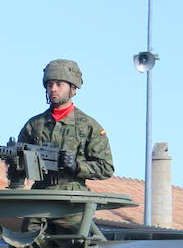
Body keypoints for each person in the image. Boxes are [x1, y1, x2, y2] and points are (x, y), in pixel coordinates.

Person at [16, 58, 114, 194]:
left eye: (58, 84)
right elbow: (18, 164)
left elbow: (106, 168)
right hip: (40, 194)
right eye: (50, 85)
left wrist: (77, 166)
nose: (53, 89)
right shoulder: (34, 125)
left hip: (73, 198)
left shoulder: (88, 126)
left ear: (73, 89)